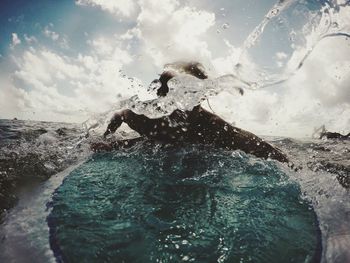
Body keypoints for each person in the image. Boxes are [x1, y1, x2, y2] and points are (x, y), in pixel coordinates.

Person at [95, 62, 289, 164]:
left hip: (190, 154)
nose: (184, 101)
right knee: (102, 147)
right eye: (171, 91)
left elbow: (264, 149)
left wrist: (292, 165)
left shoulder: (213, 128)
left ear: (202, 95)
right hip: (151, 145)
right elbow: (120, 114)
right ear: (161, 94)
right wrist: (106, 137)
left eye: (191, 92)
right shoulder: (148, 117)